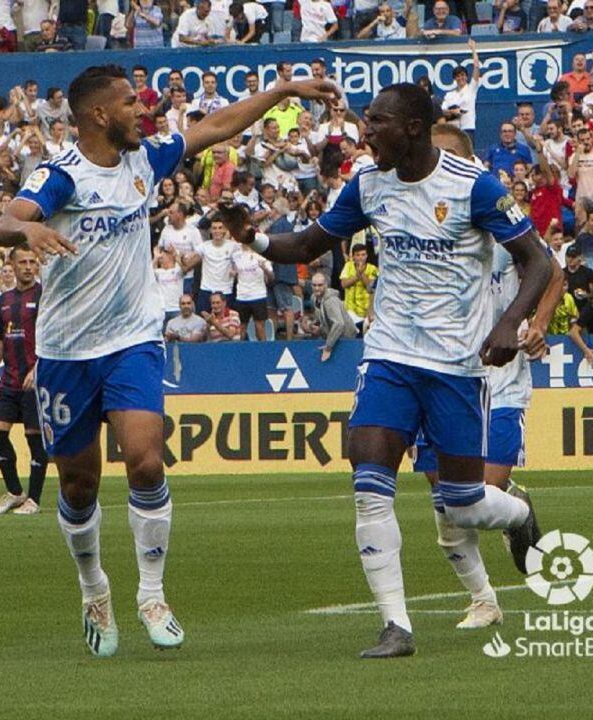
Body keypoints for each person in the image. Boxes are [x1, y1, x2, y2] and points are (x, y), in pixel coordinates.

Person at [0, 64, 340, 658]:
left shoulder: (144, 161)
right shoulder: (62, 176)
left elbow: (218, 126)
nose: (141, 111)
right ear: (100, 114)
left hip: (132, 341)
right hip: (67, 351)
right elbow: (6, 219)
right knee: (78, 483)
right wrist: (25, 235)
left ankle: (152, 594)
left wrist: (279, 90)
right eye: (130, 102)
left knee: (147, 463)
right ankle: (94, 587)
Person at [219, 82, 553, 658]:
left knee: (463, 502)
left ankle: (519, 515)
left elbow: (538, 260)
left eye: (376, 122)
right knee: (369, 481)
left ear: (413, 129)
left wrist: (510, 325)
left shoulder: (473, 186)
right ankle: (396, 625)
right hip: (389, 356)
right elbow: (307, 245)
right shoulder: (368, 184)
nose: (364, 131)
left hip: (456, 366)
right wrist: (254, 238)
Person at [410, 125, 564, 631]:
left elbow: (552, 271)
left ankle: (515, 504)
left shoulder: (495, 217)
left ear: (471, 163)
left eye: (449, 155)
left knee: (478, 493)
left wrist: (536, 325)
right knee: (446, 501)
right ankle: (483, 599)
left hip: (500, 376)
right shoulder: (413, 221)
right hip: (438, 375)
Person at [0, 246, 48, 517]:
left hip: (36, 378)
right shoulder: (5, 299)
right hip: (9, 380)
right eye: (23, 262)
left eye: (33, 262)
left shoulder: (45, 296)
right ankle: (15, 491)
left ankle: (33, 498)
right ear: (13, 264)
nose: (29, 267)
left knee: (34, 439)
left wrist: (38, 368)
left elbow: (53, 335)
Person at [301, 272, 356, 361]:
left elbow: (339, 324)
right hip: (332, 338)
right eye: (314, 285)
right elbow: (324, 319)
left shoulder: (331, 301)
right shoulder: (313, 298)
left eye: (320, 285)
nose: (317, 288)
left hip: (346, 340)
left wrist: (328, 347)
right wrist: (316, 327)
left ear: (326, 285)